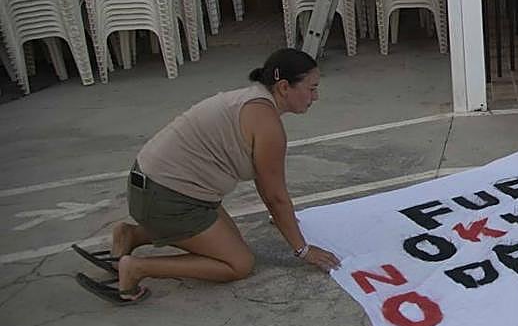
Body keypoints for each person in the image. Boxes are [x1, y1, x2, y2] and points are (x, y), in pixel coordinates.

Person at [73, 48, 340, 305]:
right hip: (167, 198)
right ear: (284, 87)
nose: (315, 97)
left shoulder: (251, 99)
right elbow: (274, 196)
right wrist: (303, 250)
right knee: (239, 263)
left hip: (150, 185)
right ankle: (135, 269)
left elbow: (267, 187)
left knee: (230, 242)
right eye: (311, 88)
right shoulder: (268, 125)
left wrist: (287, 224)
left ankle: (130, 235)